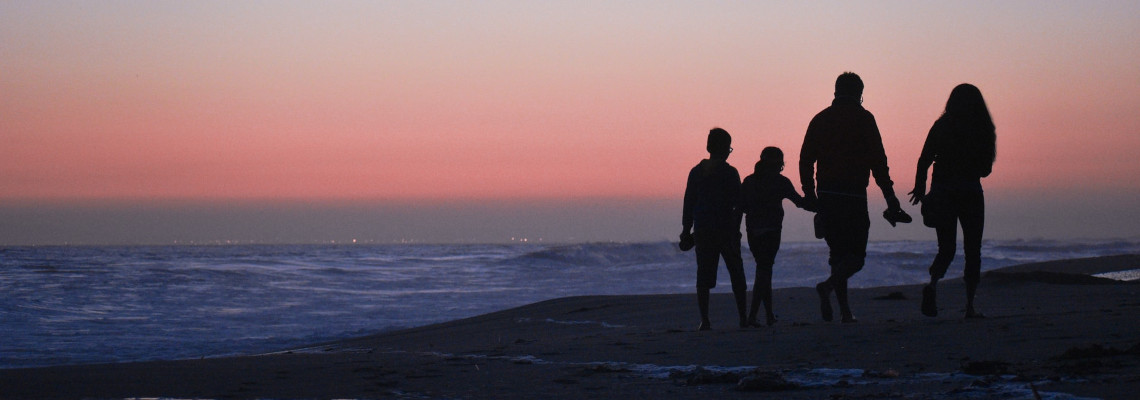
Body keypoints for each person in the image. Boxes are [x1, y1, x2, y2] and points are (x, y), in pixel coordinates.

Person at [800, 72, 908, 323]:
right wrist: (890, 196)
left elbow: (806, 159)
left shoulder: (820, 119)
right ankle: (828, 288)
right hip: (853, 194)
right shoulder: (864, 118)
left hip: (826, 194)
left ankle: (845, 311)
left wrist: (809, 193)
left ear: (836, 91)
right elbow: (878, 161)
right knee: (856, 258)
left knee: (838, 256)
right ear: (860, 93)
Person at [908, 83, 996, 319]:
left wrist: (920, 188)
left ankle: (933, 284)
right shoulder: (982, 128)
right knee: (972, 250)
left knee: (946, 248)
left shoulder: (941, 125)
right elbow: (986, 169)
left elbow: (924, 159)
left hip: (943, 192)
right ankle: (969, 306)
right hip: (970, 192)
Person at [680, 127, 749, 331]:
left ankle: (705, 320)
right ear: (726, 149)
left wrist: (686, 230)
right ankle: (743, 318)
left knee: (704, 275)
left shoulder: (696, 172)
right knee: (736, 272)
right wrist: (736, 227)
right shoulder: (729, 172)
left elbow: (689, 203)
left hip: (703, 229)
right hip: (726, 229)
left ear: (709, 147)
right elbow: (739, 202)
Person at [740, 147, 808, 327]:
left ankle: (769, 315)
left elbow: (741, 207)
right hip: (771, 230)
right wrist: (817, 203)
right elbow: (799, 202)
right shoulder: (781, 182)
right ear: (779, 163)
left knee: (764, 270)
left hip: (752, 231)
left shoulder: (749, 181)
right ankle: (753, 316)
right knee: (764, 270)